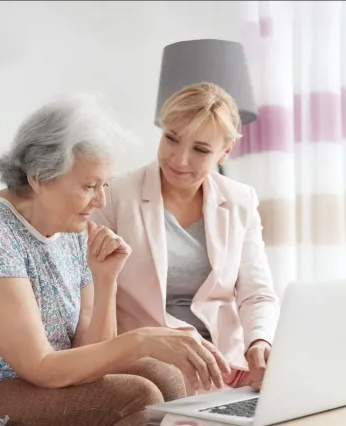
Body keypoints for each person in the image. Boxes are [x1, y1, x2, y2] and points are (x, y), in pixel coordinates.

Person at [0, 94, 231, 426]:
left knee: (163, 376)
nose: (100, 200)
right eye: (89, 186)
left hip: (33, 387)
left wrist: (106, 279)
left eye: (104, 185)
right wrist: (141, 340)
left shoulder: (72, 230)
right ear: (39, 178)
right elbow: (40, 367)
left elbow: (92, 354)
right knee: (135, 395)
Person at [91, 83, 281, 393]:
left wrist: (259, 340)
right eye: (171, 139)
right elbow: (93, 297)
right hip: (149, 368)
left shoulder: (240, 200)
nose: (180, 160)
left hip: (224, 368)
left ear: (225, 151)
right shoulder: (114, 195)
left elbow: (256, 292)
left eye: (201, 150)